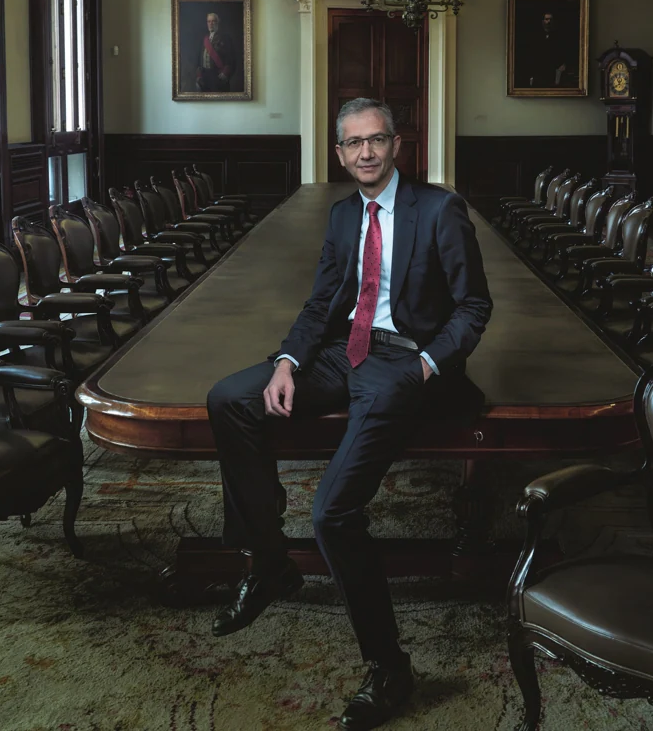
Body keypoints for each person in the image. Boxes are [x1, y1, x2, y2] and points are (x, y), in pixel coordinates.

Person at [207, 97, 492, 730]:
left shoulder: (439, 209)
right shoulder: (342, 217)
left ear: (397, 146)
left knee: (333, 512)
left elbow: (473, 306)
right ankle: (271, 564)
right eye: (353, 143)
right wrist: (286, 362)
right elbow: (320, 304)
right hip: (345, 351)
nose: (365, 152)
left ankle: (391, 667)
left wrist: (425, 365)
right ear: (339, 152)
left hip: (404, 362)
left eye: (377, 140)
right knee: (230, 399)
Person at [514, 10, 579, 89]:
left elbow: (563, 52)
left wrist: (563, 64)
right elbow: (531, 54)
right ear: (542, 21)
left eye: (550, 19)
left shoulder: (559, 36)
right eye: (546, 19)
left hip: (555, 69)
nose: (549, 21)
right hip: (539, 69)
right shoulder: (535, 36)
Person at [195, 12, 236, 91]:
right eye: (209, 21)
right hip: (205, 77)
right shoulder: (204, 39)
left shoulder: (225, 38)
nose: (211, 24)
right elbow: (199, 59)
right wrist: (199, 75)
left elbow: (232, 59)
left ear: (218, 22)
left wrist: (225, 73)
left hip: (218, 77)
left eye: (213, 21)